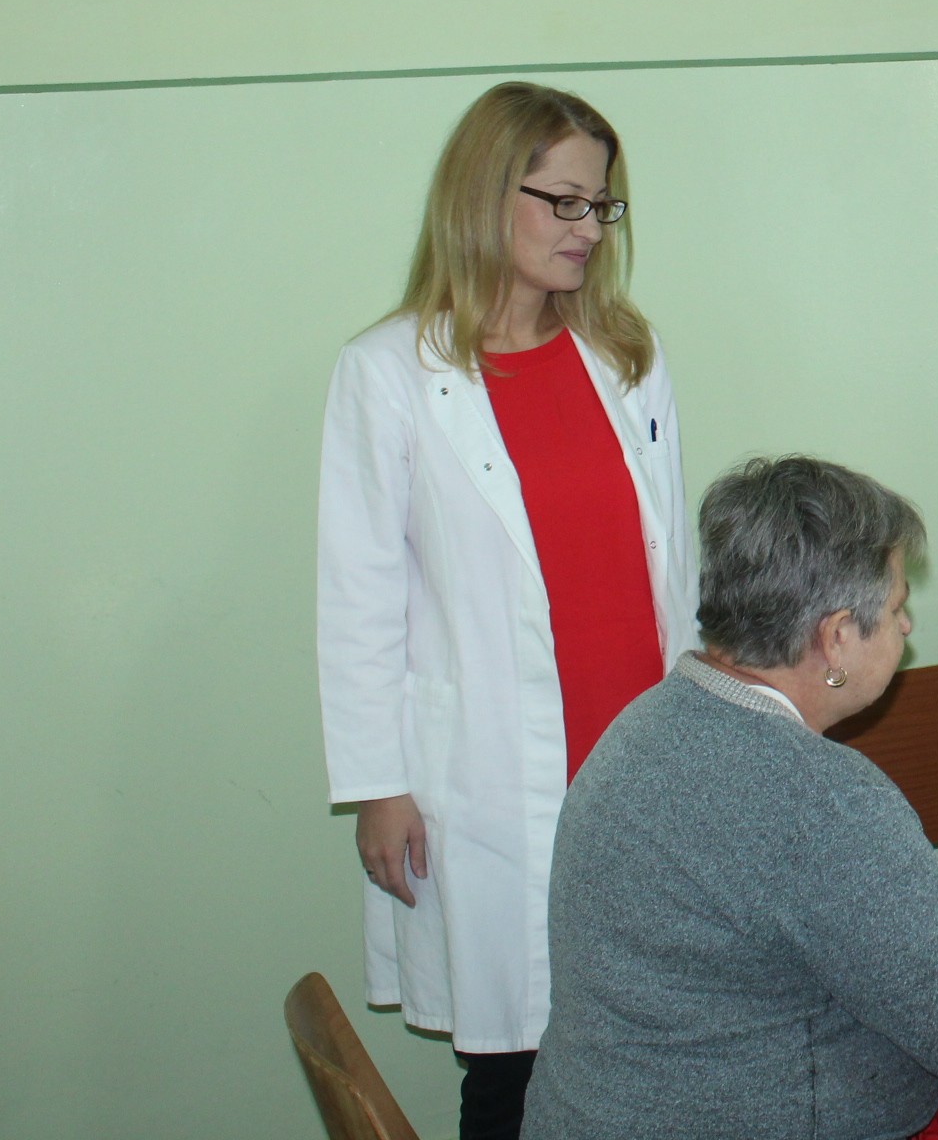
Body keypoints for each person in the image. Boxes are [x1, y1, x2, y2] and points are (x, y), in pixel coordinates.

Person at [522, 456, 938, 1140]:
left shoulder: (644, 726)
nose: (906, 627)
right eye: (895, 609)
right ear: (835, 639)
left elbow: (771, 925)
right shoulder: (820, 799)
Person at [317, 83, 694, 1140]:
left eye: (600, 205)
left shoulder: (627, 356)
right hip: (491, 775)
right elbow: (356, 597)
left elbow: (674, 562)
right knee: (516, 1066)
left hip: (637, 757)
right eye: (563, 202)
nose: (588, 228)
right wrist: (379, 787)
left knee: (654, 1039)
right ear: (486, 196)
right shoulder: (388, 374)